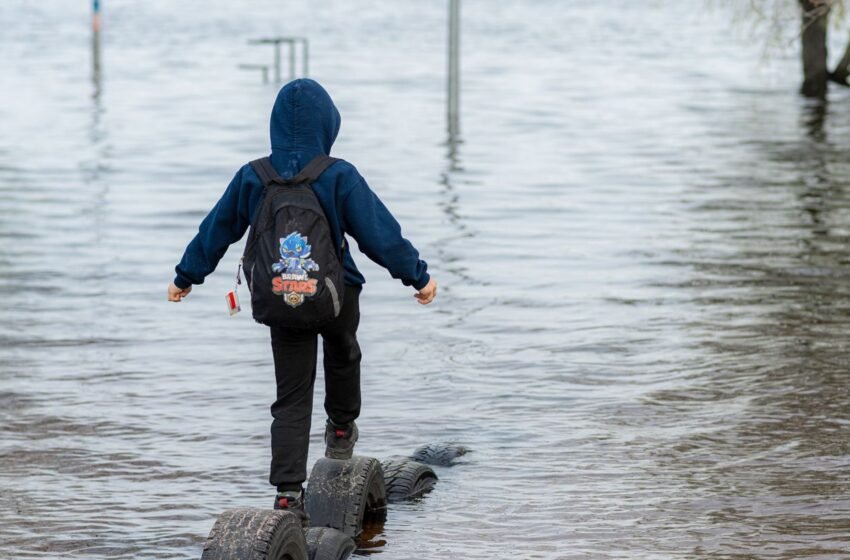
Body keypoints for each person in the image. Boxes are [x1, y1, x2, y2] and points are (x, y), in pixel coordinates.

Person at [166, 79, 437, 521]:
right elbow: (380, 234)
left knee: (290, 395)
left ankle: (288, 491)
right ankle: (342, 430)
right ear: (328, 125)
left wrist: (186, 276)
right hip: (336, 294)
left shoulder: (254, 175)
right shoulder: (338, 174)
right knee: (344, 353)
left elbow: (216, 229)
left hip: (281, 296)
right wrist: (417, 277)